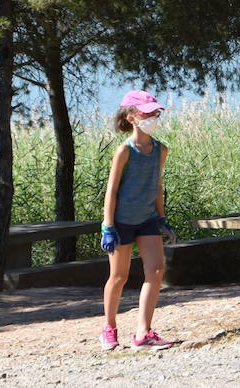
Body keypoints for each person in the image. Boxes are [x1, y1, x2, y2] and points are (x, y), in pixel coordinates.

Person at [100, 89, 177, 351]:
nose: (153, 117)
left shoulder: (160, 150)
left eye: (155, 112)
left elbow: (157, 185)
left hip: (147, 220)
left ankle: (143, 333)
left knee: (155, 271)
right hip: (121, 222)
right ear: (131, 117)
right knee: (118, 276)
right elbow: (111, 191)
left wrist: (162, 218)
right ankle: (109, 328)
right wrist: (108, 226)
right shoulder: (125, 150)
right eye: (147, 113)